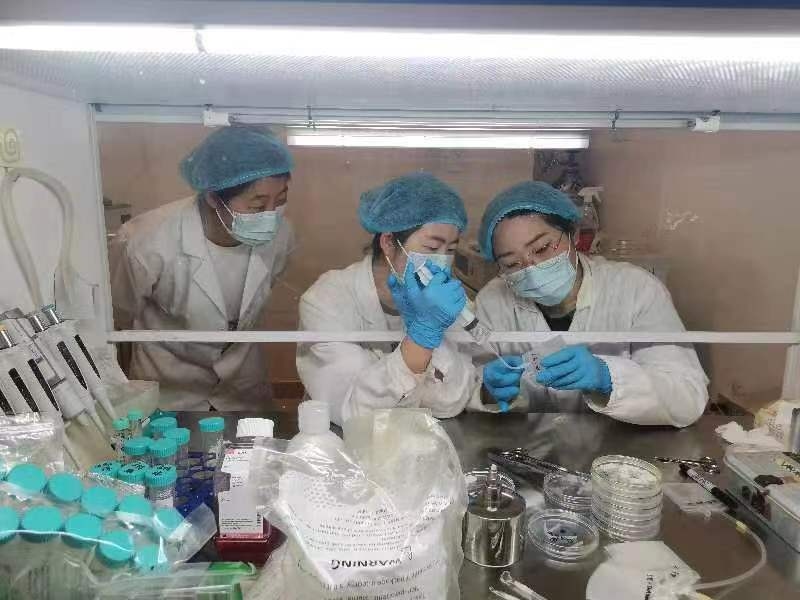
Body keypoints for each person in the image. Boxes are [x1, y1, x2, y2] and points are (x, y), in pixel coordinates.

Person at [473, 181, 708, 427]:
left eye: (542, 248)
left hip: (621, 446)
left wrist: (608, 377)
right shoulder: (492, 302)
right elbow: (466, 387)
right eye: (512, 264)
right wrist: (487, 392)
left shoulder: (636, 289)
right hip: (525, 442)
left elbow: (687, 398)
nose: (531, 270)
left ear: (574, 234)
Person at [110, 127, 295, 410]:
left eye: (280, 200)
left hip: (242, 387)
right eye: (257, 205)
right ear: (213, 197)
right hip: (171, 389)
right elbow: (120, 313)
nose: (270, 215)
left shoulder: (281, 235)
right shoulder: (147, 242)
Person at [297, 173, 479, 426]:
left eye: (450, 250)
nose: (442, 261)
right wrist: (421, 338)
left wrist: (430, 332)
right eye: (431, 248)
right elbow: (355, 413)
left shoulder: (447, 304)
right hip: (344, 440)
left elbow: (450, 403)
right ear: (389, 242)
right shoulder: (327, 299)